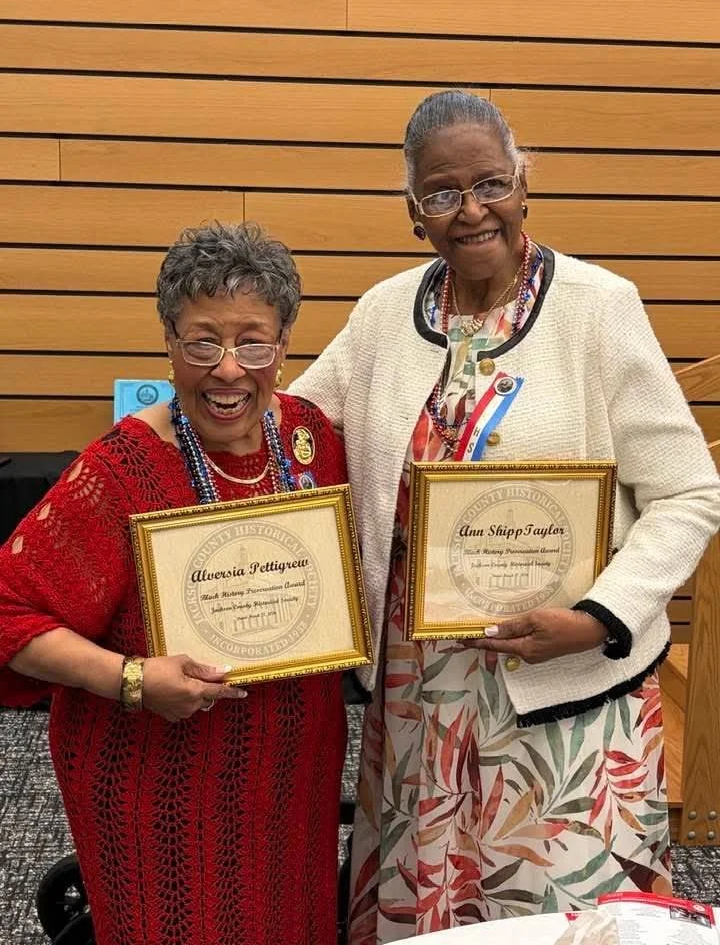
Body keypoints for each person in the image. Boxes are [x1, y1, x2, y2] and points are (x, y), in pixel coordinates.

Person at [288, 90, 720, 941]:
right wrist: (168, 427)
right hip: (420, 697)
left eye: (491, 183)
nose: (471, 210)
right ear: (414, 212)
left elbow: (687, 492)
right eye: (442, 194)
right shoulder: (382, 316)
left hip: (564, 685)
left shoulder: (599, 308)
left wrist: (597, 618)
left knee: (563, 917)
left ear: (525, 183)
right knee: (432, 917)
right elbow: (294, 432)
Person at [0, 223, 348, 945]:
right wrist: (132, 678)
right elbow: (8, 612)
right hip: (159, 786)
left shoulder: (313, 437)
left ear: (283, 347)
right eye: (202, 342)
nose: (228, 369)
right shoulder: (120, 470)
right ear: (169, 343)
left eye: (253, 342)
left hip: (292, 778)